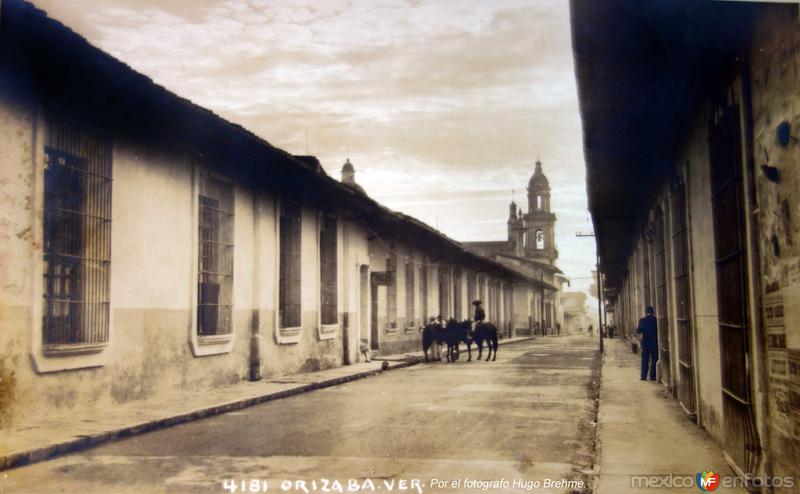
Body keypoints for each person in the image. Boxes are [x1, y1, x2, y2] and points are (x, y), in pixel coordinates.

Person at [637, 306, 658, 381]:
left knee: (645, 360)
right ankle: (653, 376)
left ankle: (643, 376)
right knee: (654, 359)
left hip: (645, 343)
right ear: (653, 312)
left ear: (646, 312)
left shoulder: (642, 320)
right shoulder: (656, 320)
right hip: (654, 343)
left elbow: (638, 331)